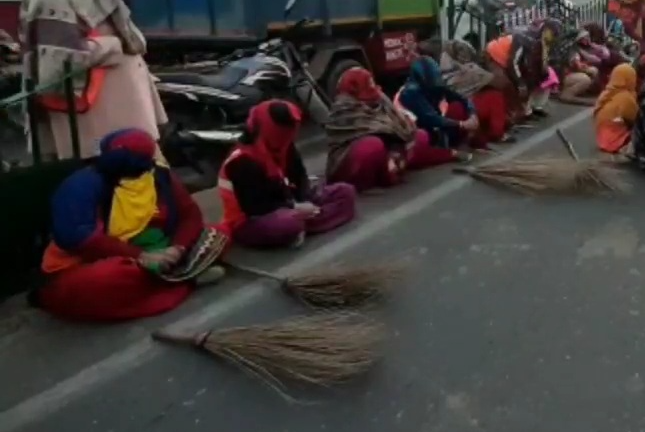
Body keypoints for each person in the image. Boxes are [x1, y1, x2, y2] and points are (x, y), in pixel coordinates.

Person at [36, 129, 219, 321]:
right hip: (97, 261)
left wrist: (178, 248)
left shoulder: (160, 175)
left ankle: (169, 275)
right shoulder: (82, 185)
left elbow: (189, 215)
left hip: (160, 249)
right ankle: (180, 277)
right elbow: (78, 239)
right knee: (101, 280)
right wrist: (141, 256)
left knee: (217, 234)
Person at [22, 0, 166, 159]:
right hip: (96, 109)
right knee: (112, 168)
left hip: (118, 101)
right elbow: (62, 59)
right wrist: (113, 46)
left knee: (138, 162)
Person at [219, 101, 357, 249]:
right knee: (289, 222)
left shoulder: (285, 145)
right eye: (281, 132)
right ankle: (303, 225)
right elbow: (256, 207)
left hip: (288, 201)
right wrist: (295, 207)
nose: (287, 136)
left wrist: (304, 200)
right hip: (252, 219)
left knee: (345, 192)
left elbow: (299, 178)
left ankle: (303, 226)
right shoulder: (242, 161)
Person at [325, 68, 456, 192]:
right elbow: (376, 132)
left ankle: (395, 164)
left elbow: (397, 125)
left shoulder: (378, 97)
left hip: (391, 149)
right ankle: (377, 177)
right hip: (351, 162)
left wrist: (395, 150)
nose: (372, 86)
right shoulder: (343, 109)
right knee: (372, 146)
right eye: (368, 83)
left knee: (420, 136)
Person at [397, 57, 489, 156]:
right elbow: (429, 118)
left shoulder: (436, 86)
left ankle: (465, 144)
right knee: (422, 138)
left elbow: (463, 98)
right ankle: (449, 154)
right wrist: (461, 124)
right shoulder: (410, 92)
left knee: (457, 106)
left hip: (435, 128)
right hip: (418, 130)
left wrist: (472, 114)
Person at [437, 39, 511, 145]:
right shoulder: (469, 70)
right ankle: (497, 133)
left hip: (448, 117)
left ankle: (477, 134)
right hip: (466, 112)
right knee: (495, 96)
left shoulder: (441, 72)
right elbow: (500, 83)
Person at [593, 63, 639, 154]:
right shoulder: (626, 97)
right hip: (613, 137)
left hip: (602, 134)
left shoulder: (608, 92)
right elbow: (634, 118)